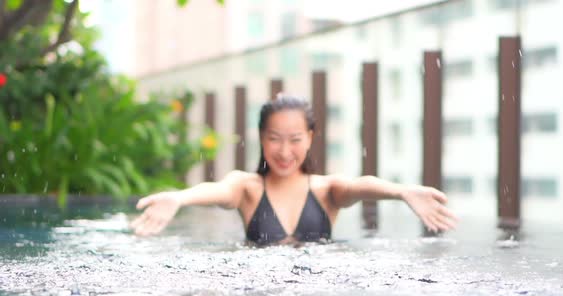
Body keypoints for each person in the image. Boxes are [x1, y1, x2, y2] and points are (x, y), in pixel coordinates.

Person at [130, 95, 459, 245]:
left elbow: (362, 184)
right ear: (261, 137)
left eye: (295, 139)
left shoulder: (327, 191)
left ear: (311, 138)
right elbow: (216, 190)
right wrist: (179, 198)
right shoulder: (248, 188)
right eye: (274, 139)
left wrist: (402, 191)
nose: (284, 152)